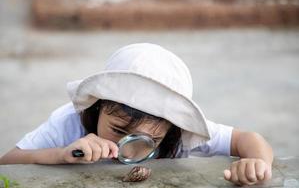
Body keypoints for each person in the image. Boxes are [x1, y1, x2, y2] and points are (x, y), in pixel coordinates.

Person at [0, 43, 273, 186]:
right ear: (97, 107)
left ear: (172, 129)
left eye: (148, 139)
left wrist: (258, 164)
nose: (128, 147)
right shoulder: (69, 122)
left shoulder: (181, 137)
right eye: (118, 130)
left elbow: (247, 139)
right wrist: (60, 155)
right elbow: (7, 163)